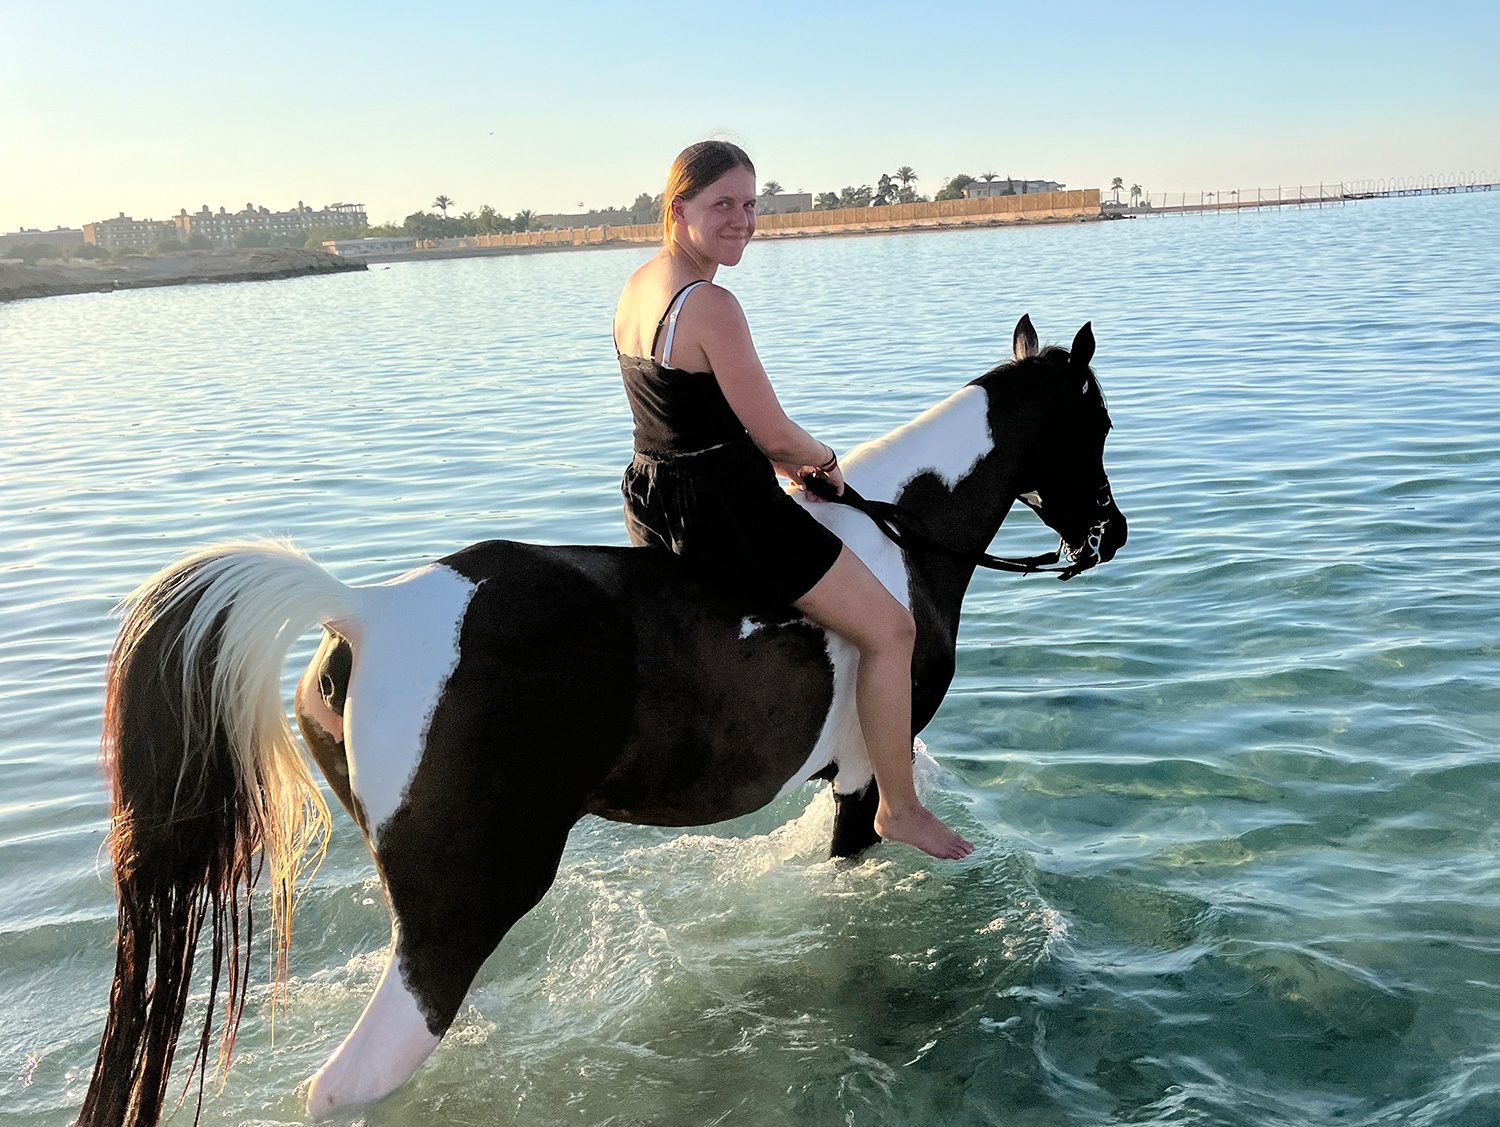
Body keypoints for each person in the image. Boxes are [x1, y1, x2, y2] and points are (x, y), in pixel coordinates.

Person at [613, 141, 973, 861]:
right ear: (677, 208)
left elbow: (682, 419)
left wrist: (770, 465)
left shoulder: (639, 285)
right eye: (723, 205)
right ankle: (899, 808)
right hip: (726, 514)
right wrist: (821, 462)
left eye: (750, 205)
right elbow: (773, 431)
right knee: (893, 630)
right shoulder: (709, 303)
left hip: (654, 499)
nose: (742, 220)